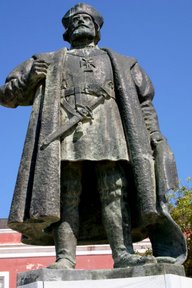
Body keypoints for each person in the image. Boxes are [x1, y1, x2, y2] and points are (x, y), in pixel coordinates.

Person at [0, 3, 187, 269]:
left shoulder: (122, 62)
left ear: (97, 28)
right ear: (66, 32)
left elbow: (145, 103)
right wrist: (30, 78)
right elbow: (6, 95)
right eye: (74, 20)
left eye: (87, 19)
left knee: (115, 190)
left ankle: (122, 253)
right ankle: (65, 257)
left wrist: (154, 134)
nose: (80, 22)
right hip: (63, 135)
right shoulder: (46, 60)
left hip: (111, 132)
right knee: (65, 193)